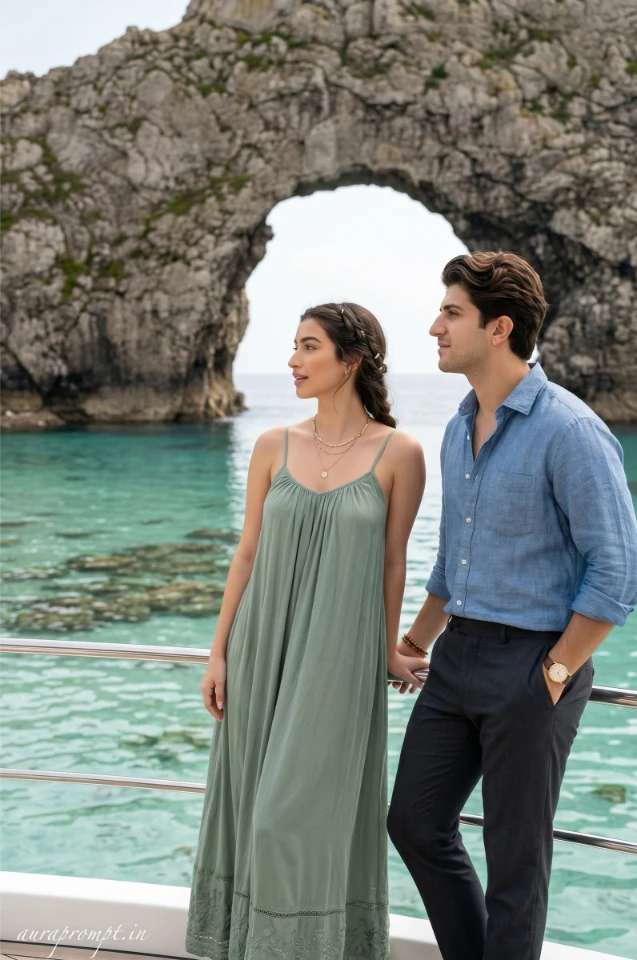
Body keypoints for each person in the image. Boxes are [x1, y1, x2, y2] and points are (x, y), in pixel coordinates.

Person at [387, 251, 637, 960]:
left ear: (498, 328)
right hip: (457, 658)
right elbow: (453, 563)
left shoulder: (570, 430)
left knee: (514, 865)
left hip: (533, 666)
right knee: (412, 821)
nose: (434, 326)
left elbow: (617, 573)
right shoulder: (455, 428)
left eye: (451, 313)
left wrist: (556, 673)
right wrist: (412, 642)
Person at [184, 301, 429, 960]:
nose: (291, 360)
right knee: (247, 813)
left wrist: (387, 650)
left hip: (338, 659)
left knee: (284, 822)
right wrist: (217, 654)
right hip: (260, 648)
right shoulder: (273, 445)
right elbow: (247, 553)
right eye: (293, 347)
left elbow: (392, 562)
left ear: (351, 360)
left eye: (307, 346)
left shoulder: (400, 453)